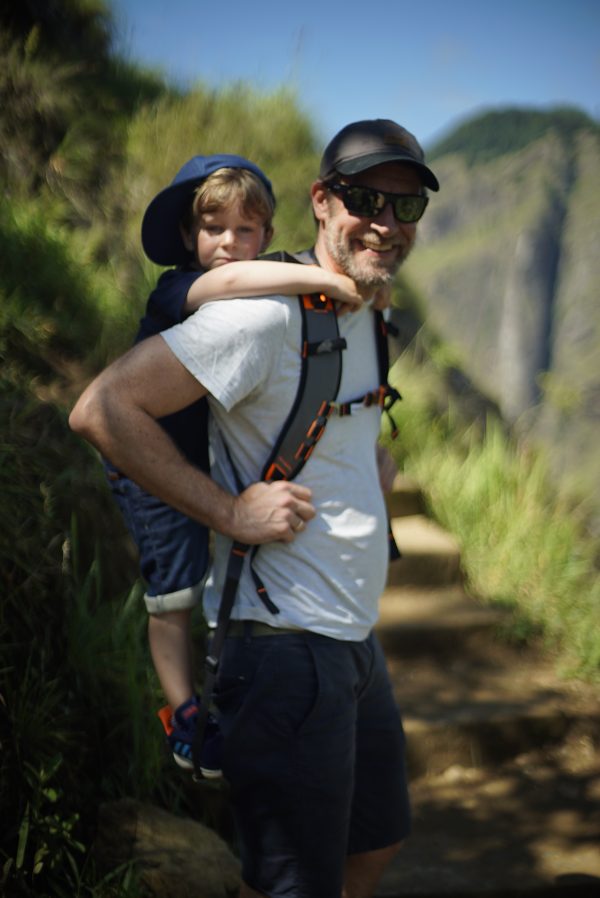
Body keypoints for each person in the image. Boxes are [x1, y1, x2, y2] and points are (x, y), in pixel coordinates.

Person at [70, 118, 439, 898]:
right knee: (290, 884)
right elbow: (102, 410)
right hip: (283, 649)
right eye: (366, 200)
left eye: (405, 207)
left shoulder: (370, 307)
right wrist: (230, 513)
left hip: (352, 635)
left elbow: (324, 416)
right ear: (322, 201)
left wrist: (366, 462)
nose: (386, 222)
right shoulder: (262, 315)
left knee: (376, 843)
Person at [106, 153, 369, 777]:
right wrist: (326, 282)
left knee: (197, 581)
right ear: (186, 236)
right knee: (172, 593)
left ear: (266, 235)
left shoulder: (258, 287)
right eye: (212, 228)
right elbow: (228, 284)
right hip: (151, 466)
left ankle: (210, 697)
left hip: (195, 458)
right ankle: (183, 718)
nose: (227, 243)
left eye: (244, 230)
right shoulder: (178, 288)